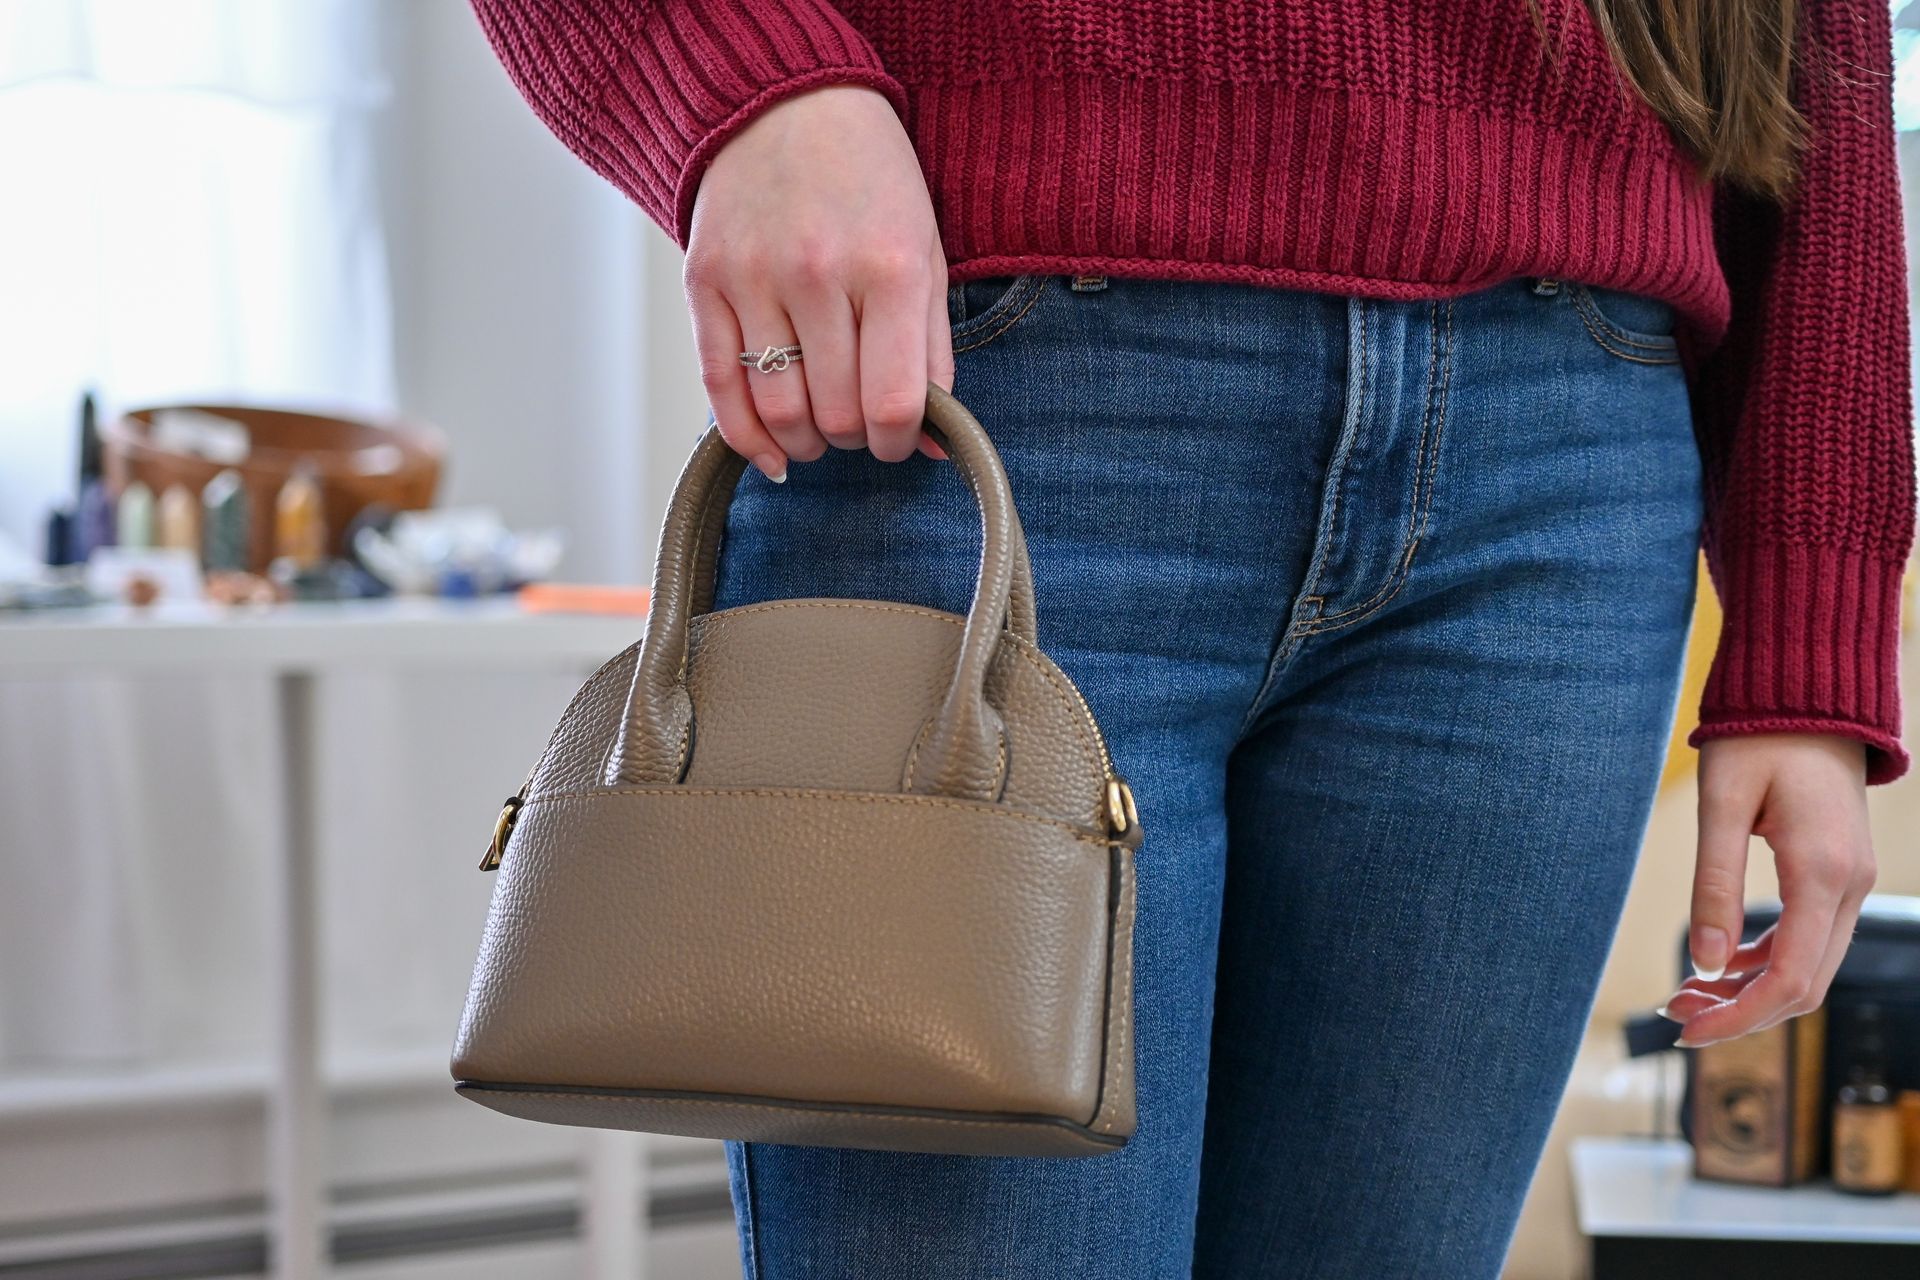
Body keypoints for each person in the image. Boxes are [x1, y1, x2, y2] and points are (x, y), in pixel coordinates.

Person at [467, 2, 1913, 1275]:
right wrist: (746, 92)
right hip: (992, 422)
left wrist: (1816, 621)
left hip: (1563, 456)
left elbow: (1819, 56)